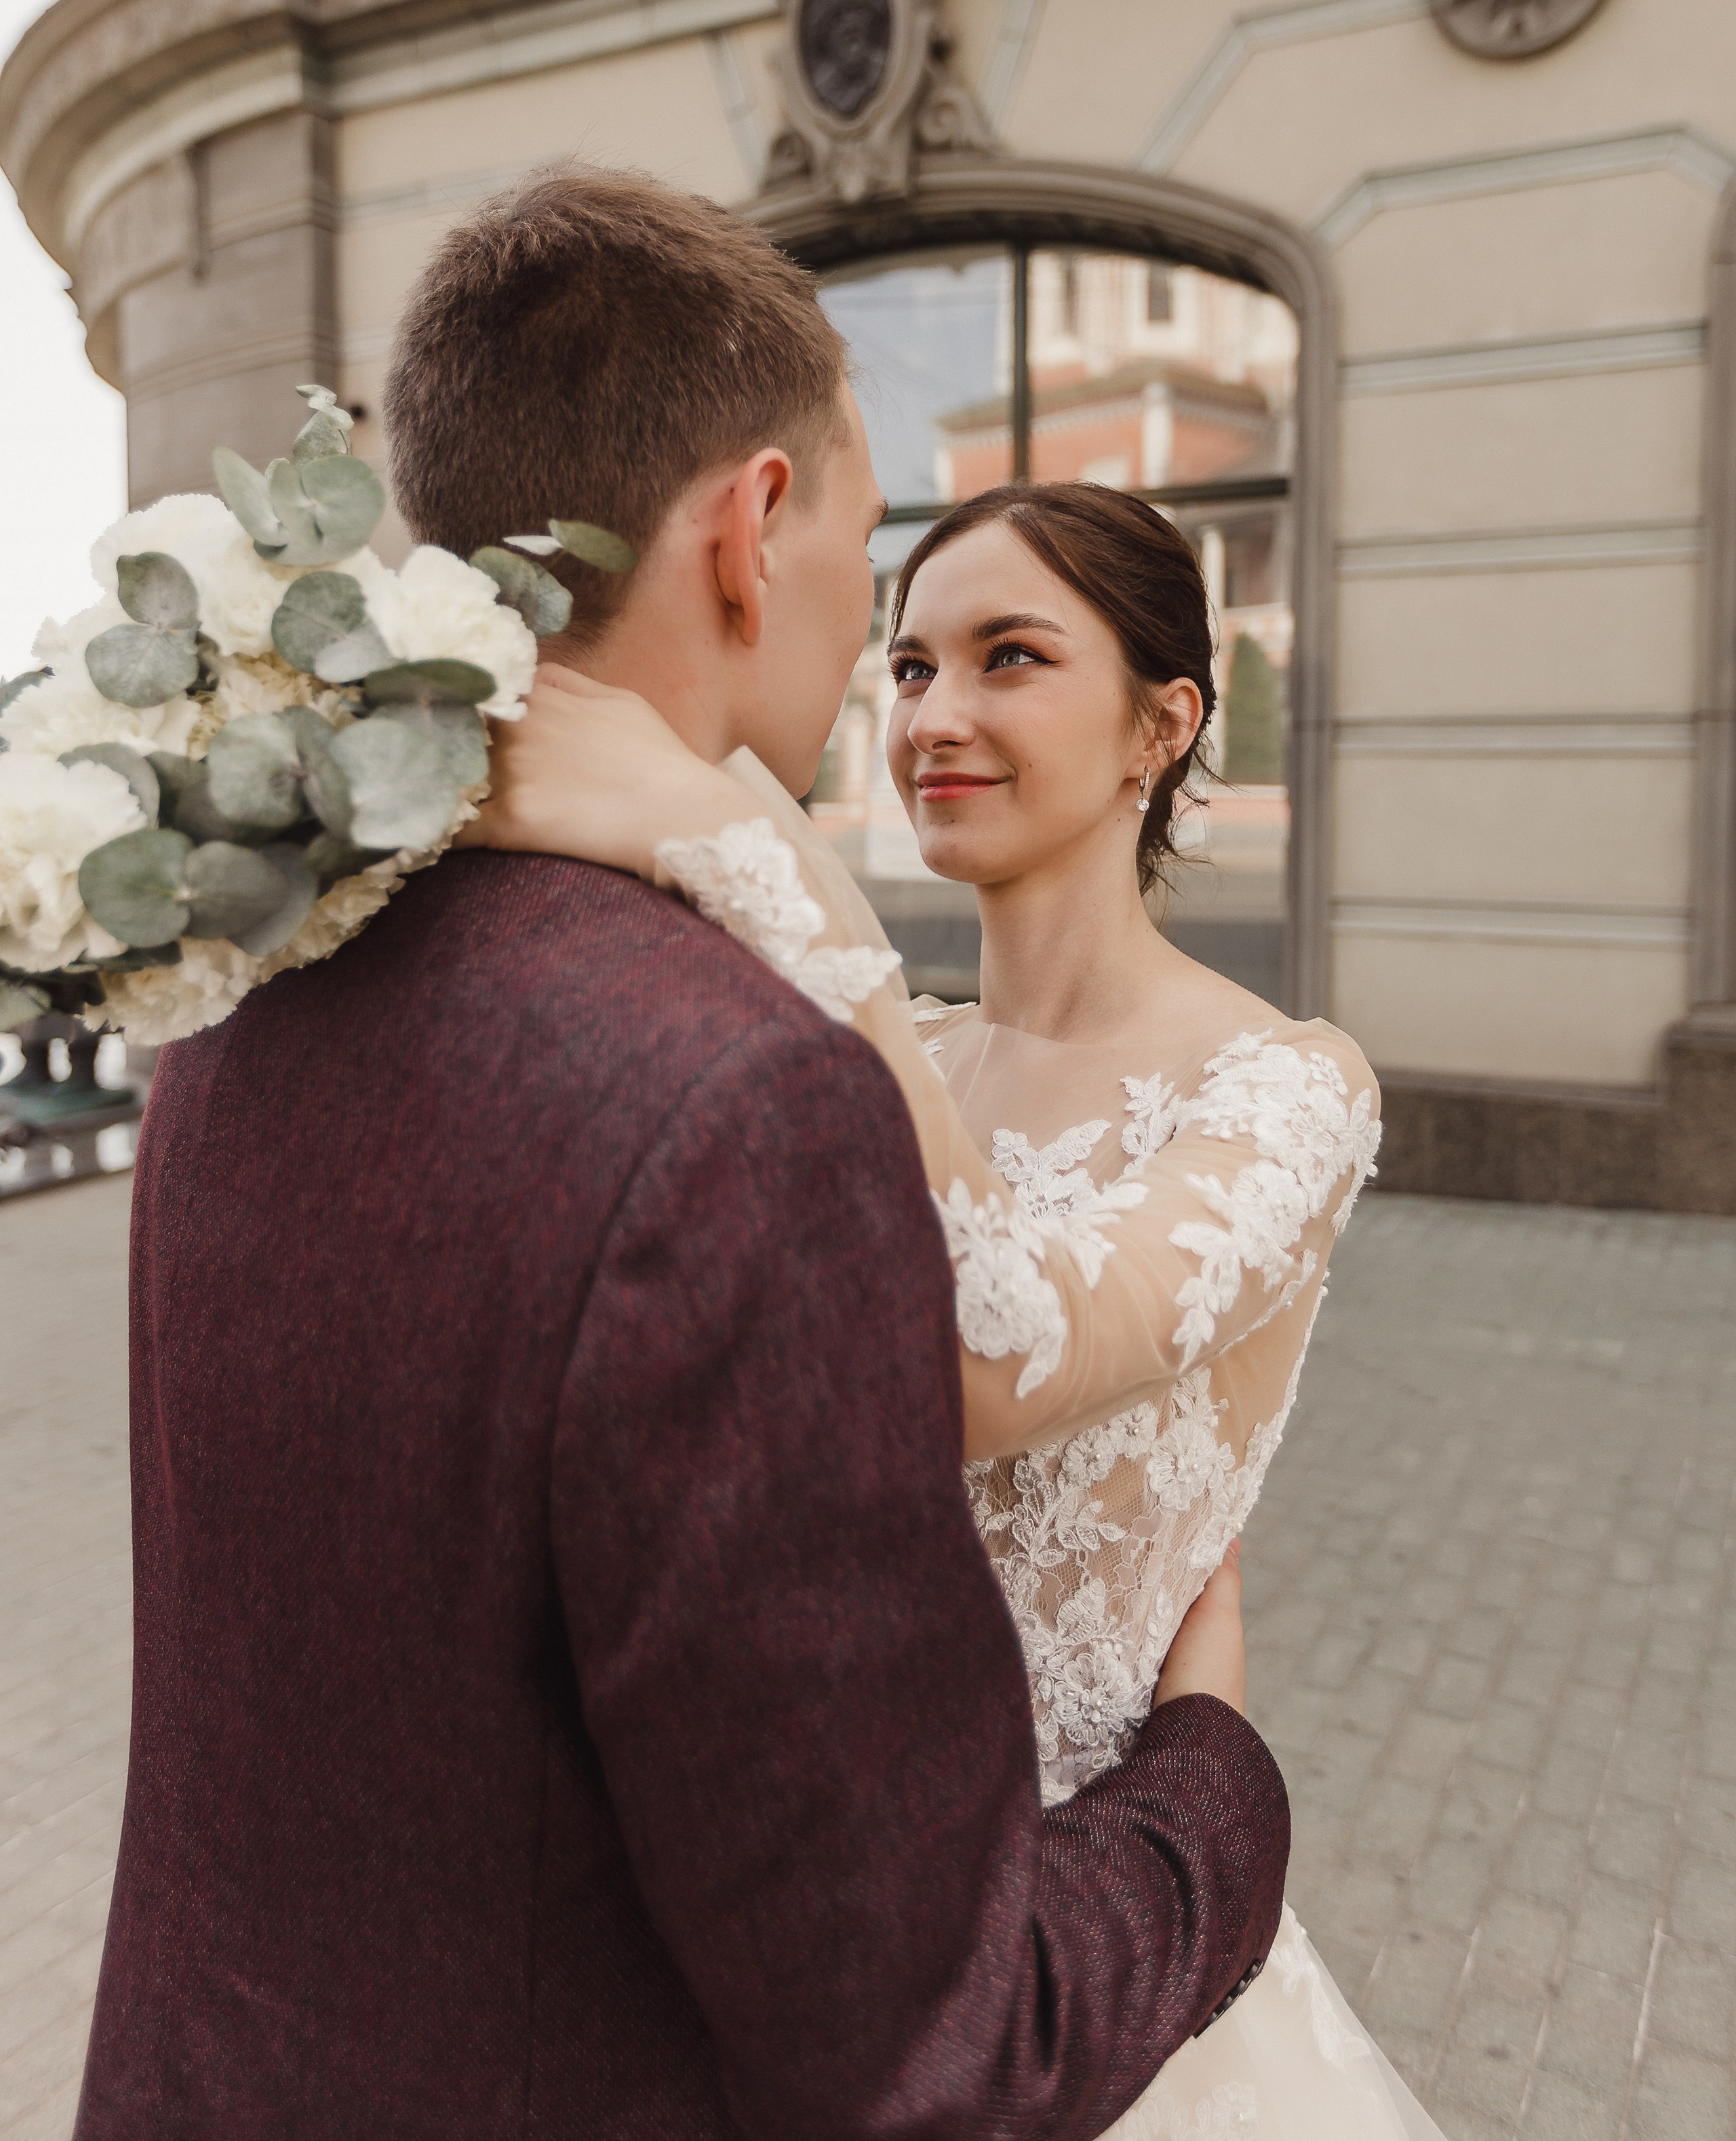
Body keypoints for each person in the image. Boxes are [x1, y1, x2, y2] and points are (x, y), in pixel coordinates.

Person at [73, 171, 1292, 2141]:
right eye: (882, 588)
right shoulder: (749, 1105)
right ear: (753, 529)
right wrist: (1214, 1775)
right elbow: (942, 2048)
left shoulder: (250, 976)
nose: (906, 691)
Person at [467, 431, 1447, 2128]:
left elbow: (998, 1361)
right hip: (801, 1903)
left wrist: (763, 868)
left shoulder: (1284, 1086)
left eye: (1011, 658)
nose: (931, 714)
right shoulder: (894, 1049)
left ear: (1161, 723)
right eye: (911, 663)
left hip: (1074, 1948)